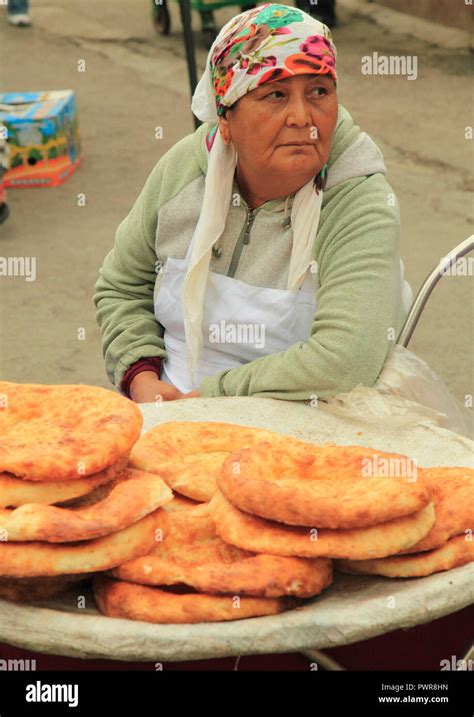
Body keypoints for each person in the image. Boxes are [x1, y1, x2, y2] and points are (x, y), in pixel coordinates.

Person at [94, 3, 413, 405]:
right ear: (225, 119)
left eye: (319, 91)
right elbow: (122, 286)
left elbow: (345, 358)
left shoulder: (357, 197)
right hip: (165, 404)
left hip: (307, 423)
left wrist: (210, 398)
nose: (302, 117)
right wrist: (141, 374)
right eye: (275, 94)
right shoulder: (182, 173)